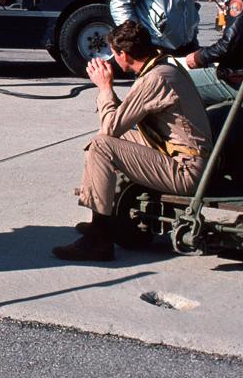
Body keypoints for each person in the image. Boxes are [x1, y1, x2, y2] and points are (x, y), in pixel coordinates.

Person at [53, 20, 213, 261]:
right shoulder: (162, 66)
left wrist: (105, 88)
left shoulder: (156, 79)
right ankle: (101, 217)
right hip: (181, 155)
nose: (112, 59)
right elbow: (121, 122)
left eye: (114, 54)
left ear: (124, 55)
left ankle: (99, 237)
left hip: (186, 170)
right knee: (101, 142)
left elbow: (110, 128)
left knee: (102, 146)